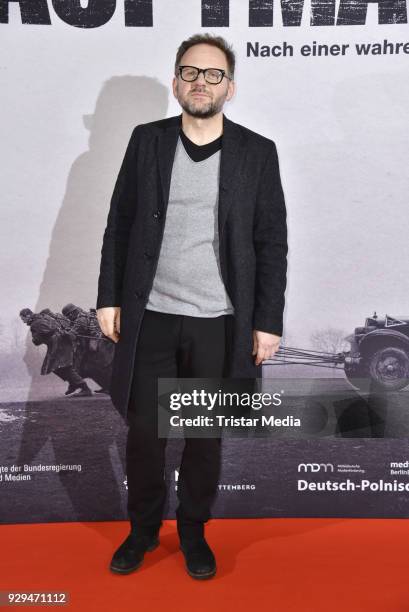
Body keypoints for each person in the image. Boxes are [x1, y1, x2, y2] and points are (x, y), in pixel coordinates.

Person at [96, 33, 288, 580]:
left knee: (204, 437)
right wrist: (109, 296)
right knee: (145, 435)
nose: (199, 82)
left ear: (230, 86)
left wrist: (267, 322)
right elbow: (121, 223)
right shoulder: (147, 142)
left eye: (212, 74)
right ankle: (141, 531)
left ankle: (193, 532)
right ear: (176, 79)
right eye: (189, 71)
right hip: (150, 316)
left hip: (220, 323)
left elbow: (271, 242)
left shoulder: (257, 152)